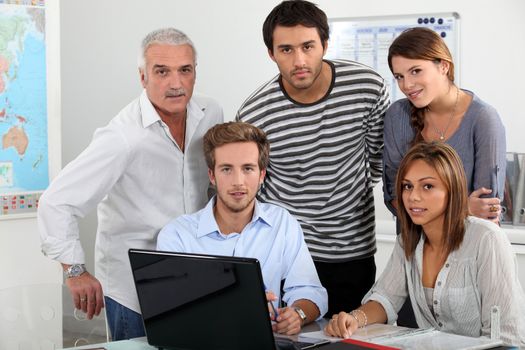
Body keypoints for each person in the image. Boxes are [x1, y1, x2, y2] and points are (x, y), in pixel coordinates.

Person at [38, 28, 223, 340]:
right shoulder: (122, 137)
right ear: (143, 77)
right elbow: (55, 202)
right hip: (134, 290)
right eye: (161, 71)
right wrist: (75, 271)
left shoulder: (210, 114)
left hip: (193, 278)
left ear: (195, 73)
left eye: (184, 70)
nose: (175, 83)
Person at [236, 0, 390, 317]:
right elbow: (256, 189)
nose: (300, 60)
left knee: (347, 340)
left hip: (353, 252)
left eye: (308, 46)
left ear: (325, 44)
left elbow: (379, 163)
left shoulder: (368, 87)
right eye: (286, 50)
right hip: (286, 255)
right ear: (271, 53)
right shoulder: (254, 114)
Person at [325, 142, 525, 347]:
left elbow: (506, 338)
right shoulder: (408, 241)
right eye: (407, 186)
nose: (413, 196)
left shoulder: (486, 239)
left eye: (427, 186)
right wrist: (355, 319)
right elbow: (385, 298)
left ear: (452, 189)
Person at [157, 121, 328, 335]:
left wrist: (297, 315)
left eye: (248, 169)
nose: (238, 182)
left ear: (262, 174)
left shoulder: (282, 224)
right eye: (227, 169)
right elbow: (169, 310)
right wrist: (232, 306)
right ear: (212, 175)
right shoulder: (177, 235)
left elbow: (311, 291)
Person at [383, 27, 506, 224]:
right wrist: (464, 207)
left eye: (416, 71)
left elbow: (488, 210)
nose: (407, 85)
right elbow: (394, 196)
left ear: (444, 66)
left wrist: (425, 208)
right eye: (399, 76)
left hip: (466, 249)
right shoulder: (397, 116)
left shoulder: (483, 119)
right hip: (412, 247)